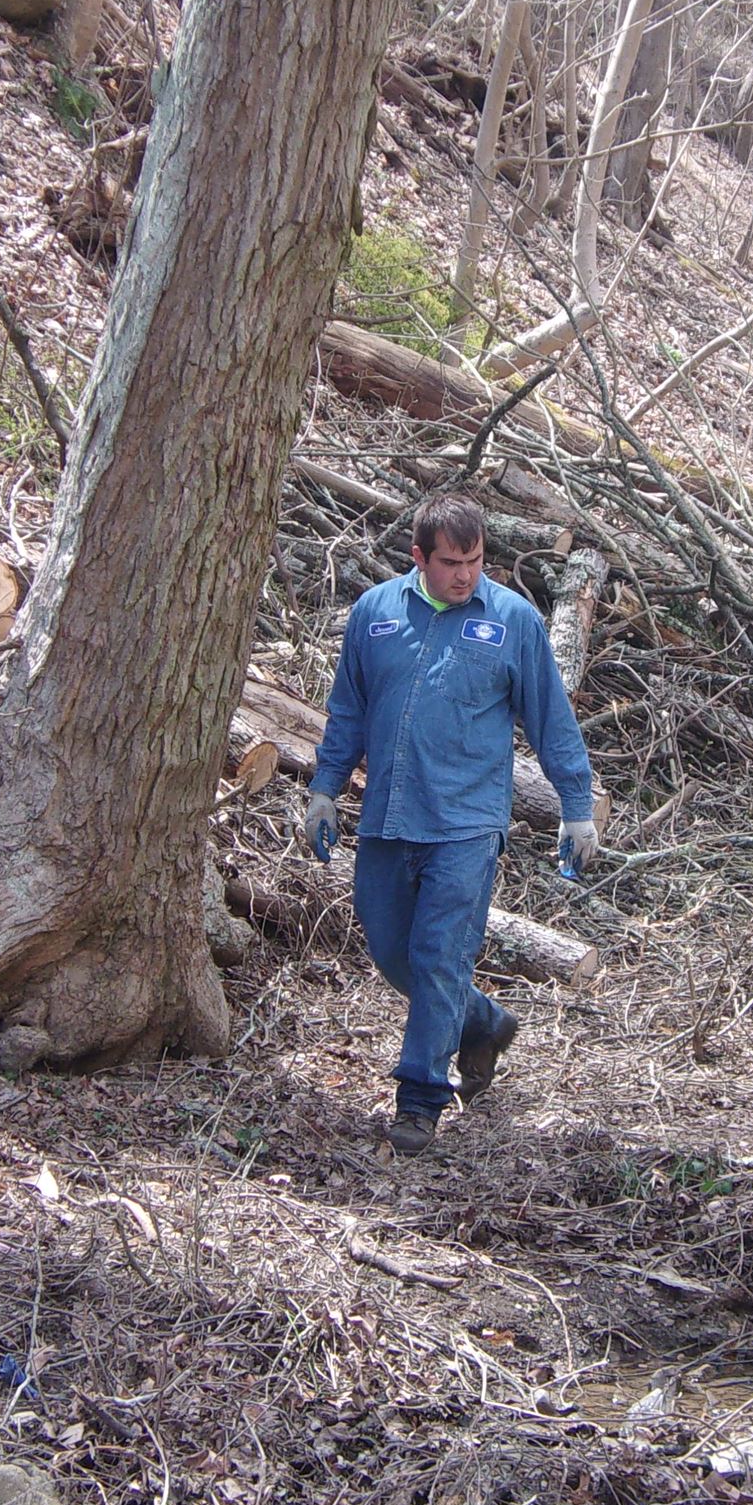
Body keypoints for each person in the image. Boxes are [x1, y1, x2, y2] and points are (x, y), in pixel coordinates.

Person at [302, 492, 599, 1156]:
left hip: (467, 823)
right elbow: (347, 711)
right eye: (450, 563)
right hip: (388, 815)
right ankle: (484, 1022)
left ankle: (419, 1098)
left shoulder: (513, 622)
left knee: (440, 954)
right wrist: (325, 791)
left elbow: (552, 721)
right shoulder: (375, 614)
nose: (465, 575)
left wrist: (576, 809)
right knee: (394, 953)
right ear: (418, 558)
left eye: (475, 560)